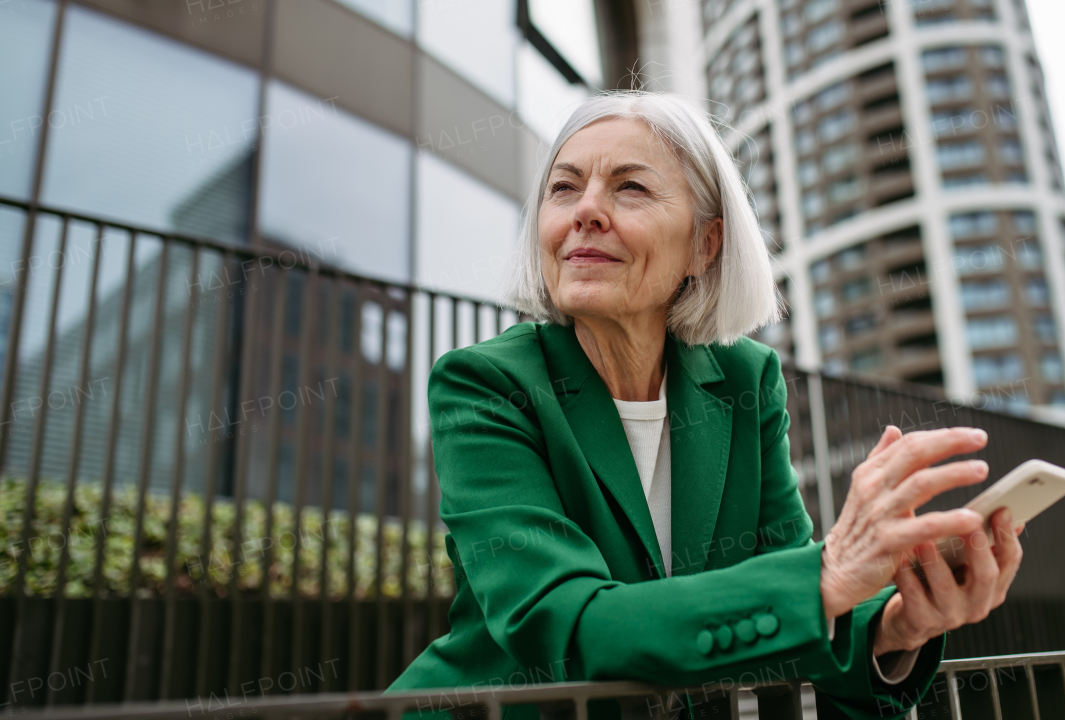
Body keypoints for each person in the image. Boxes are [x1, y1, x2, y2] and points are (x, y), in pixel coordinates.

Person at [388, 91, 1023, 720]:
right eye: (564, 188)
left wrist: (894, 625)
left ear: (705, 245)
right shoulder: (484, 384)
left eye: (630, 188)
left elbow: (778, 588)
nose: (586, 211)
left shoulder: (747, 378)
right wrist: (823, 578)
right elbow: (564, 627)